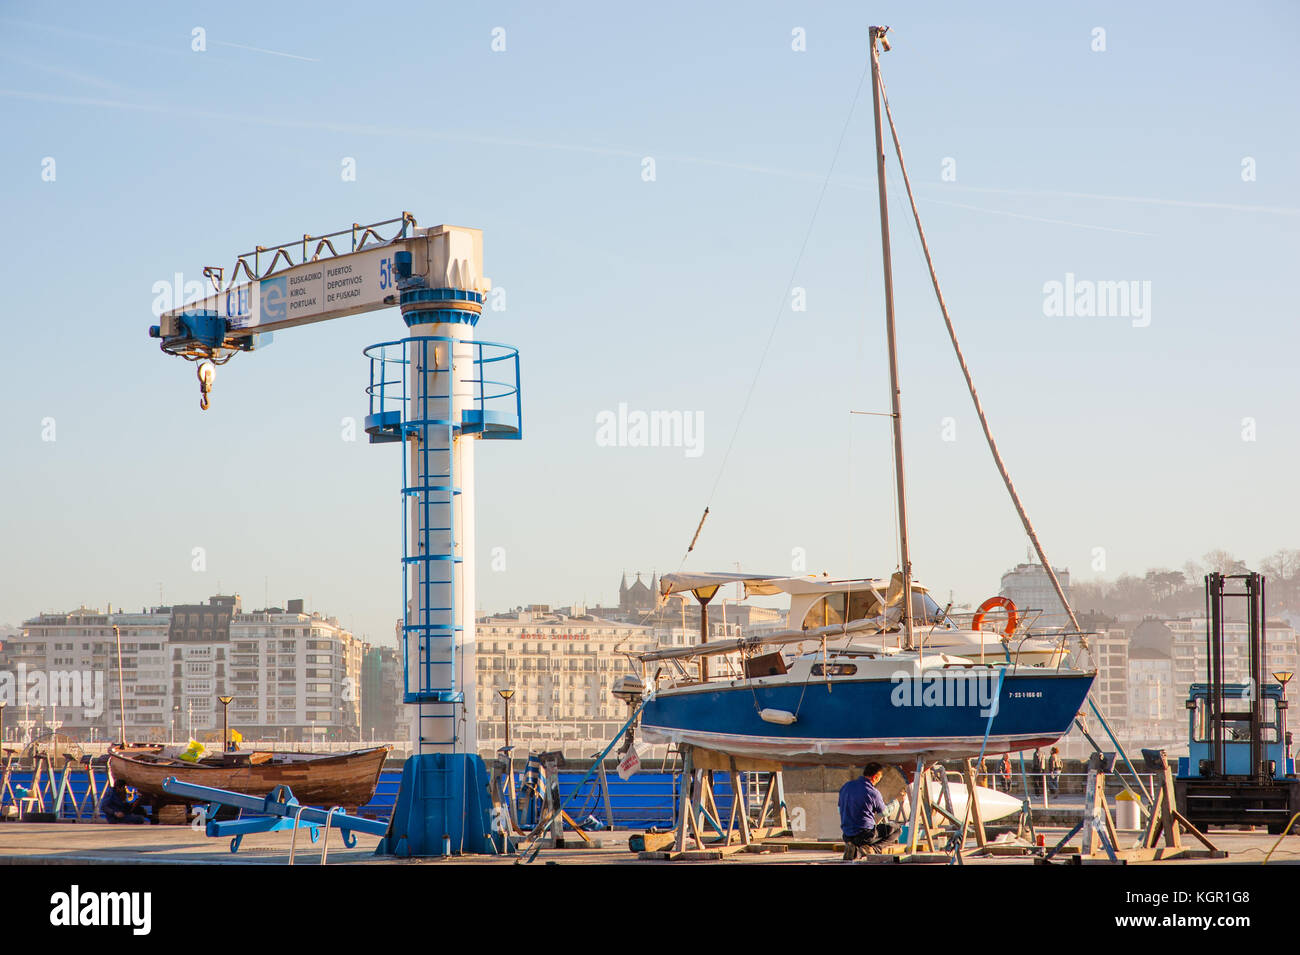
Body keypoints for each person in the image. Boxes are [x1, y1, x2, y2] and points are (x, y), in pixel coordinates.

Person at [838, 762, 899, 860]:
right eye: (879, 778)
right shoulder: (872, 792)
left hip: (847, 835)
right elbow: (884, 813)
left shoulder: (846, 786)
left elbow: (839, 809)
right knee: (897, 828)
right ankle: (871, 849)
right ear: (875, 777)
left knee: (867, 831)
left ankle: (855, 849)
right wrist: (896, 802)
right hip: (865, 835)